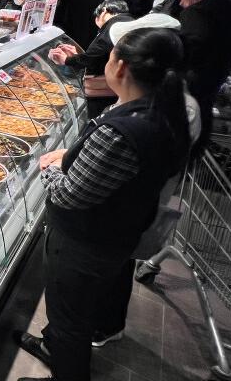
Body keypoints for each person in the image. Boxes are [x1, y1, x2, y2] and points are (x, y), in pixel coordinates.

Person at [17, 26, 191, 381]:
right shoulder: (162, 111)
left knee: (69, 322)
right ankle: (54, 346)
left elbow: (67, 195)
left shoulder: (123, 132)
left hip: (85, 242)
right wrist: (73, 155)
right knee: (78, 311)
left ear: (121, 67)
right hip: (117, 234)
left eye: (110, 56)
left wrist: (49, 167)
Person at [177, 0, 231, 147]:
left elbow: (193, 46)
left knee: (185, 119)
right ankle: (197, 148)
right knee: (204, 112)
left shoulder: (196, 12)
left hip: (191, 76)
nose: (180, 2)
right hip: (220, 71)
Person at [47, 0, 134, 118]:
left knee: (96, 116)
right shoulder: (128, 22)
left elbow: (95, 56)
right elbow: (100, 55)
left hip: (103, 91)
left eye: (96, 18)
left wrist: (67, 60)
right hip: (117, 89)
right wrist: (77, 56)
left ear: (103, 11)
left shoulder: (115, 26)